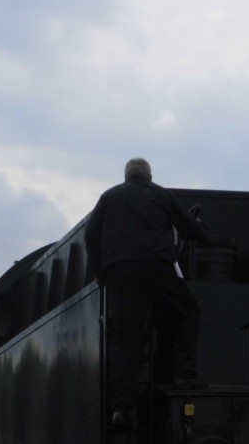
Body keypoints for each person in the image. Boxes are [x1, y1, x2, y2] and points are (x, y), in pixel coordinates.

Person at [85, 157, 207, 429]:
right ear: (149, 177)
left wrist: (101, 271)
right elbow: (189, 228)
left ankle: (121, 407)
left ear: (127, 177)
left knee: (125, 339)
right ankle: (185, 376)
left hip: (121, 273)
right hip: (158, 267)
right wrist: (201, 229)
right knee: (188, 312)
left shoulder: (109, 196)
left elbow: (91, 235)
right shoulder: (161, 194)